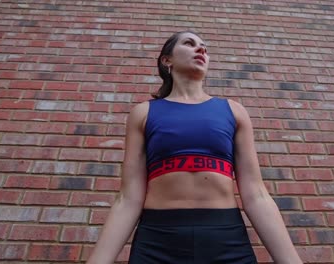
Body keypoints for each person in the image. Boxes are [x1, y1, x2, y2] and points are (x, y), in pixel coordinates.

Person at [87, 31, 302, 264]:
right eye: (189, 43)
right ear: (166, 60)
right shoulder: (143, 113)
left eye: (204, 47)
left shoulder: (233, 111)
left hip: (226, 239)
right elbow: (128, 198)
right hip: (157, 240)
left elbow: (256, 195)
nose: (201, 50)